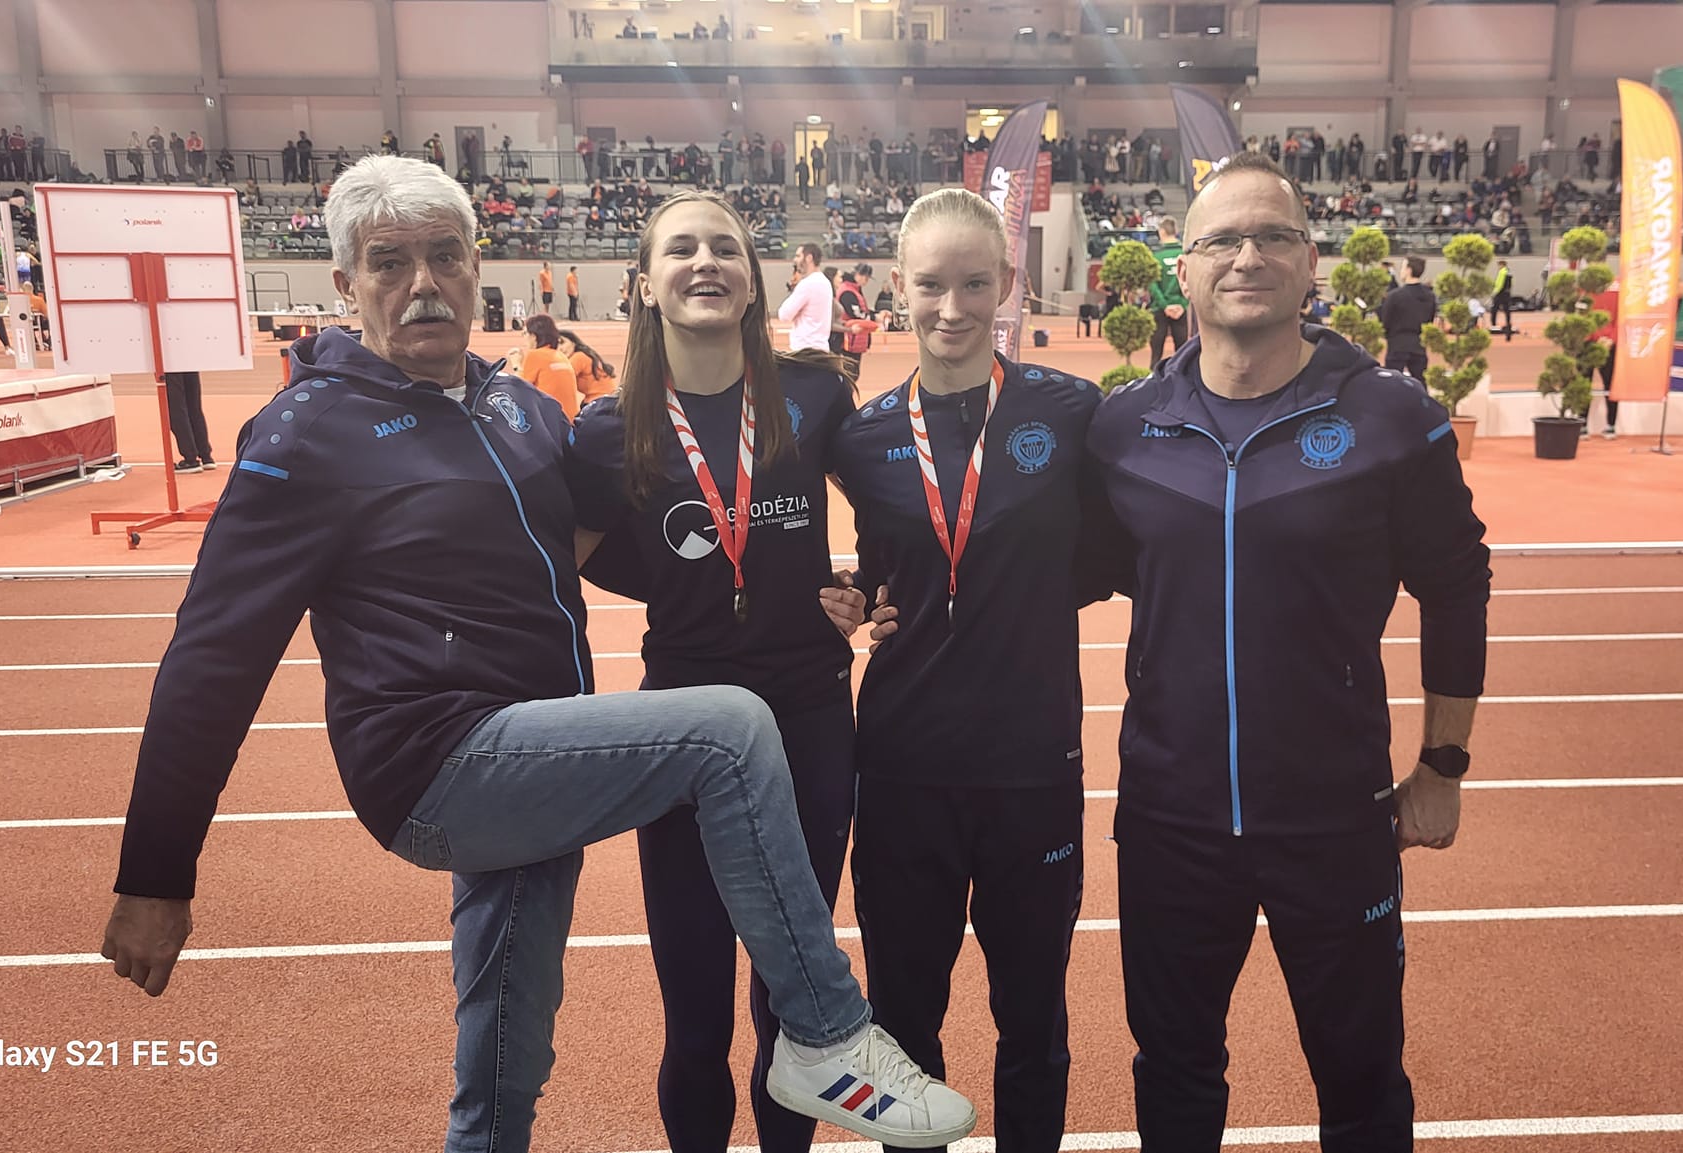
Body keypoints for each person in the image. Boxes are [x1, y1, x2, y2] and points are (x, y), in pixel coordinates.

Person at [97, 155, 974, 1153]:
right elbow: (212, 659)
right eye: (389, 263)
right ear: (343, 284)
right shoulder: (305, 434)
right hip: (439, 758)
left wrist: (821, 589)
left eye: (444, 256)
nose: (423, 284)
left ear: (479, 269)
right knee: (728, 732)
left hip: (543, 756)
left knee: (507, 1054)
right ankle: (828, 1033)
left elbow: (610, 547)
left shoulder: (515, 410)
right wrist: (157, 869)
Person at [1083, 151, 1491, 1152]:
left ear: (1311, 262)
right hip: (1170, 818)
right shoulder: (1125, 428)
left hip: (1333, 816)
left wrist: (1441, 765)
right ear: (1182, 269)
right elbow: (1059, 568)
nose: (1247, 256)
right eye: (1222, 238)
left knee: (1361, 1081)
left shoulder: (1389, 417)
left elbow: (1455, 583)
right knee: (1173, 1073)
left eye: (1273, 235)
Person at [571, 189, 874, 1153]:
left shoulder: (814, 395)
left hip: (810, 721)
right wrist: (676, 577)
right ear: (644, 285)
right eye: (681, 249)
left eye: (725, 248)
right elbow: (566, 559)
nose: (704, 262)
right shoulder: (608, 428)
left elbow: (898, 504)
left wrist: (868, 587)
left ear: (752, 281)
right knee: (695, 1012)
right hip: (684, 729)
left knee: (791, 1007)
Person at [833, 188, 1099, 1153]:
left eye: (975, 284)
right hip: (903, 766)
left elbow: (1109, 554)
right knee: (905, 1020)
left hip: (1032, 766)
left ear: (1008, 283)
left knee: (1033, 1017)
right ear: (898, 286)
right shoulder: (862, 437)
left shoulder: (1070, 412)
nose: (952, 308)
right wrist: (853, 600)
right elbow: (876, 566)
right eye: (931, 285)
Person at [1378, 256, 1436, 382]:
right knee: (1420, 383)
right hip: (1419, 344)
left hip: (1397, 344)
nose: (1401, 271)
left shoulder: (1394, 296)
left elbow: (1385, 321)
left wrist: (1389, 335)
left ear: (1409, 270)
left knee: (1393, 383)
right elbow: (1430, 320)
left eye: (1403, 267)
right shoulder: (1430, 296)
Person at [1147, 216, 1189, 369]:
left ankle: (1153, 380)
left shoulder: (1155, 256)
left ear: (1162, 232)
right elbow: (1190, 281)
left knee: (1156, 354)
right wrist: (1183, 304)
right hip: (1180, 309)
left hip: (1159, 309)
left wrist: (1165, 305)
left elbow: (1152, 285)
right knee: (1183, 354)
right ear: (1176, 231)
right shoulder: (1184, 255)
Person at [778, 243, 834, 352]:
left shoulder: (807, 284)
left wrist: (795, 290)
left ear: (809, 258)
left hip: (804, 350)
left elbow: (784, 315)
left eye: (798, 256)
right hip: (821, 347)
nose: (795, 260)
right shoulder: (825, 282)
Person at [163, 371, 215, 471]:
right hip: (189, 364)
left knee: (176, 409)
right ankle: (205, 456)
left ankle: (190, 459)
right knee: (193, 407)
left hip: (171, 366)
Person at [1592, 281, 1621, 438]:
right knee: (1609, 384)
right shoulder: (1620, 286)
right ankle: (1610, 425)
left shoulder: (1583, 288)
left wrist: (1601, 338)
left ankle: (1608, 424)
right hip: (1605, 342)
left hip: (1591, 341)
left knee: (1607, 384)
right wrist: (1610, 339)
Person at [1489, 259, 1515, 341]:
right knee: (1507, 311)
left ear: (1502, 264)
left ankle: (1493, 324)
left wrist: (1494, 293)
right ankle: (1508, 325)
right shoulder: (1509, 272)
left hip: (1500, 294)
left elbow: (1499, 284)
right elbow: (1511, 284)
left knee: (1494, 309)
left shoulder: (1502, 272)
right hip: (1507, 294)